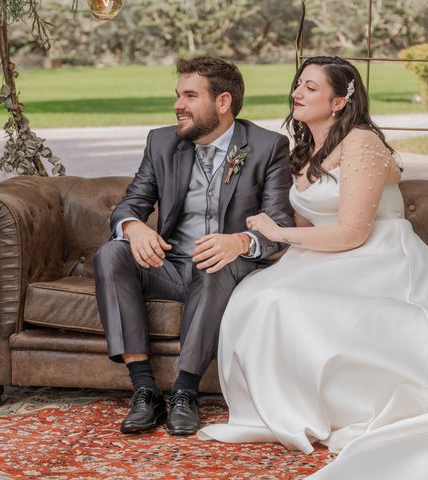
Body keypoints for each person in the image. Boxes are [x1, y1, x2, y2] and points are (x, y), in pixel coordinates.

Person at [198, 56, 428, 478]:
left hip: (379, 256)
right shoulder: (303, 150)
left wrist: (277, 233)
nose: (296, 93)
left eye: (310, 87)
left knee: (281, 300)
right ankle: (297, 411)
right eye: (298, 84)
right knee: (257, 295)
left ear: (339, 102)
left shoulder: (361, 143)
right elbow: (308, 227)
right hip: (324, 257)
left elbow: (353, 232)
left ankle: (351, 408)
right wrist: (255, 245)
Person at [93, 56, 294, 436]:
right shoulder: (162, 142)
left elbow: (280, 224)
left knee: (212, 261)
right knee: (112, 252)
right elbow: (130, 204)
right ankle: (145, 391)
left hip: (224, 269)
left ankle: (186, 392)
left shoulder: (267, 147)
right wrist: (135, 228)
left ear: (223, 102)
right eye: (177, 95)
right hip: (168, 265)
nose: (177, 105)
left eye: (189, 95)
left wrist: (238, 242)